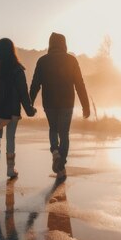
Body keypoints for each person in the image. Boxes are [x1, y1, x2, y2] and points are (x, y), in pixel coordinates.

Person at [30, 32, 90, 179]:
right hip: (67, 102)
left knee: (53, 129)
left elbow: (35, 84)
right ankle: (61, 164)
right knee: (64, 133)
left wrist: (29, 103)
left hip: (49, 103)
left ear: (50, 44)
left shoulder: (42, 61)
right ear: (64, 44)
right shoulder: (71, 60)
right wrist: (85, 105)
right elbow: (79, 84)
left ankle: (55, 153)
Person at [0, 38, 36, 178]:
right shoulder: (17, 69)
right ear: (12, 50)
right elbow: (23, 91)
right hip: (12, 111)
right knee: (11, 138)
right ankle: (10, 169)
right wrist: (29, 110)